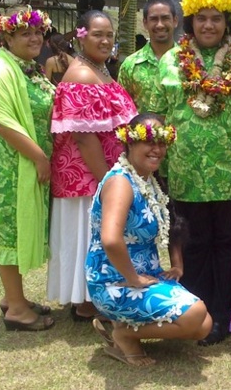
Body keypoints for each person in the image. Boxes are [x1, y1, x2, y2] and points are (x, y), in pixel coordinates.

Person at [155, 0, 231, 346]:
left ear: (228, 22)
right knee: (193, 245)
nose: (208, 26)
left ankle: (226, 313)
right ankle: (196, 316)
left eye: (217, 19)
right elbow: (159, 113)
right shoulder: (170, 61)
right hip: (184, 174)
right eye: (201, 18)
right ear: (190, 21)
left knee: (228, 245)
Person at [86, 114, 212, 366]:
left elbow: (173, 222)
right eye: (148, 141)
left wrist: (177, 264)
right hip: (114, 281)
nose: (157, 149)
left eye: (162, 142)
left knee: (203, 326)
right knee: (195, 313)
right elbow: (110, 240)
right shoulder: (121, 182)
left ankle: (127, 328)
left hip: (146, 276)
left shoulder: (148, 179)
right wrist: (133, 278)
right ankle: (122, 334)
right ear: (130, 142)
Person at [47, 10, 138, 321]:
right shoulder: (82, 76)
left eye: (109, 34)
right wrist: (108, 183)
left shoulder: (100, 70)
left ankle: (95, 298)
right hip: (87, 179)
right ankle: (86, 301)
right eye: (98, 34)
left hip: (103, 174)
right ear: (80, 35)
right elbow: (85, 140)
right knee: (89, 236)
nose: (105, 40)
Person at [0, 6, 55, 331]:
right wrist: (39, 157)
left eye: (37, 32)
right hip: (12, 167)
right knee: (10, 231)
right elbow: (1, 122)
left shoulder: (28, 68)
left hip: (31, 161)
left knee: (21, 229)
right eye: (25, 33)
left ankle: (14, 298)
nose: (35, 37)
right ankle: (18, 311)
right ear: (7, 37)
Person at [118, 0, 178, 113]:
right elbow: (122, 110)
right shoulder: (130, 65)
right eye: (154, 19)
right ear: (145, 23)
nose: (160, 25)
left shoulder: (188, 61)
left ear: (175, 21)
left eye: (165, 18)